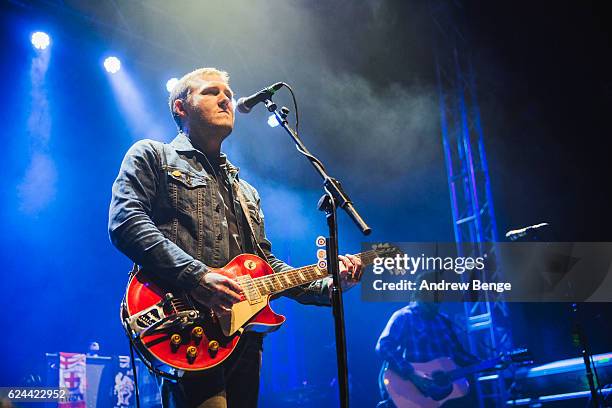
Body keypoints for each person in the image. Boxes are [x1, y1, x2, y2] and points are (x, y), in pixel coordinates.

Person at [108, 67, 363, 408]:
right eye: (211, 91)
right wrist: (197, 277)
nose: (225, 98)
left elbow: (265, 264)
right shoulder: (153, 155)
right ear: (181, 108)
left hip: (243, 336)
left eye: (228, 93)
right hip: (185, 322)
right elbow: (125, 221)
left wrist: (330, 285)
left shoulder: (246, 191)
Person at [375, 302, 478, 408]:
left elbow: (458, 354)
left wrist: (485, 364)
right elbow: (384, 346)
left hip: (440, 397)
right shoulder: (404, 316)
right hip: (408, 392)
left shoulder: (443, 321)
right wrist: (412, 374)